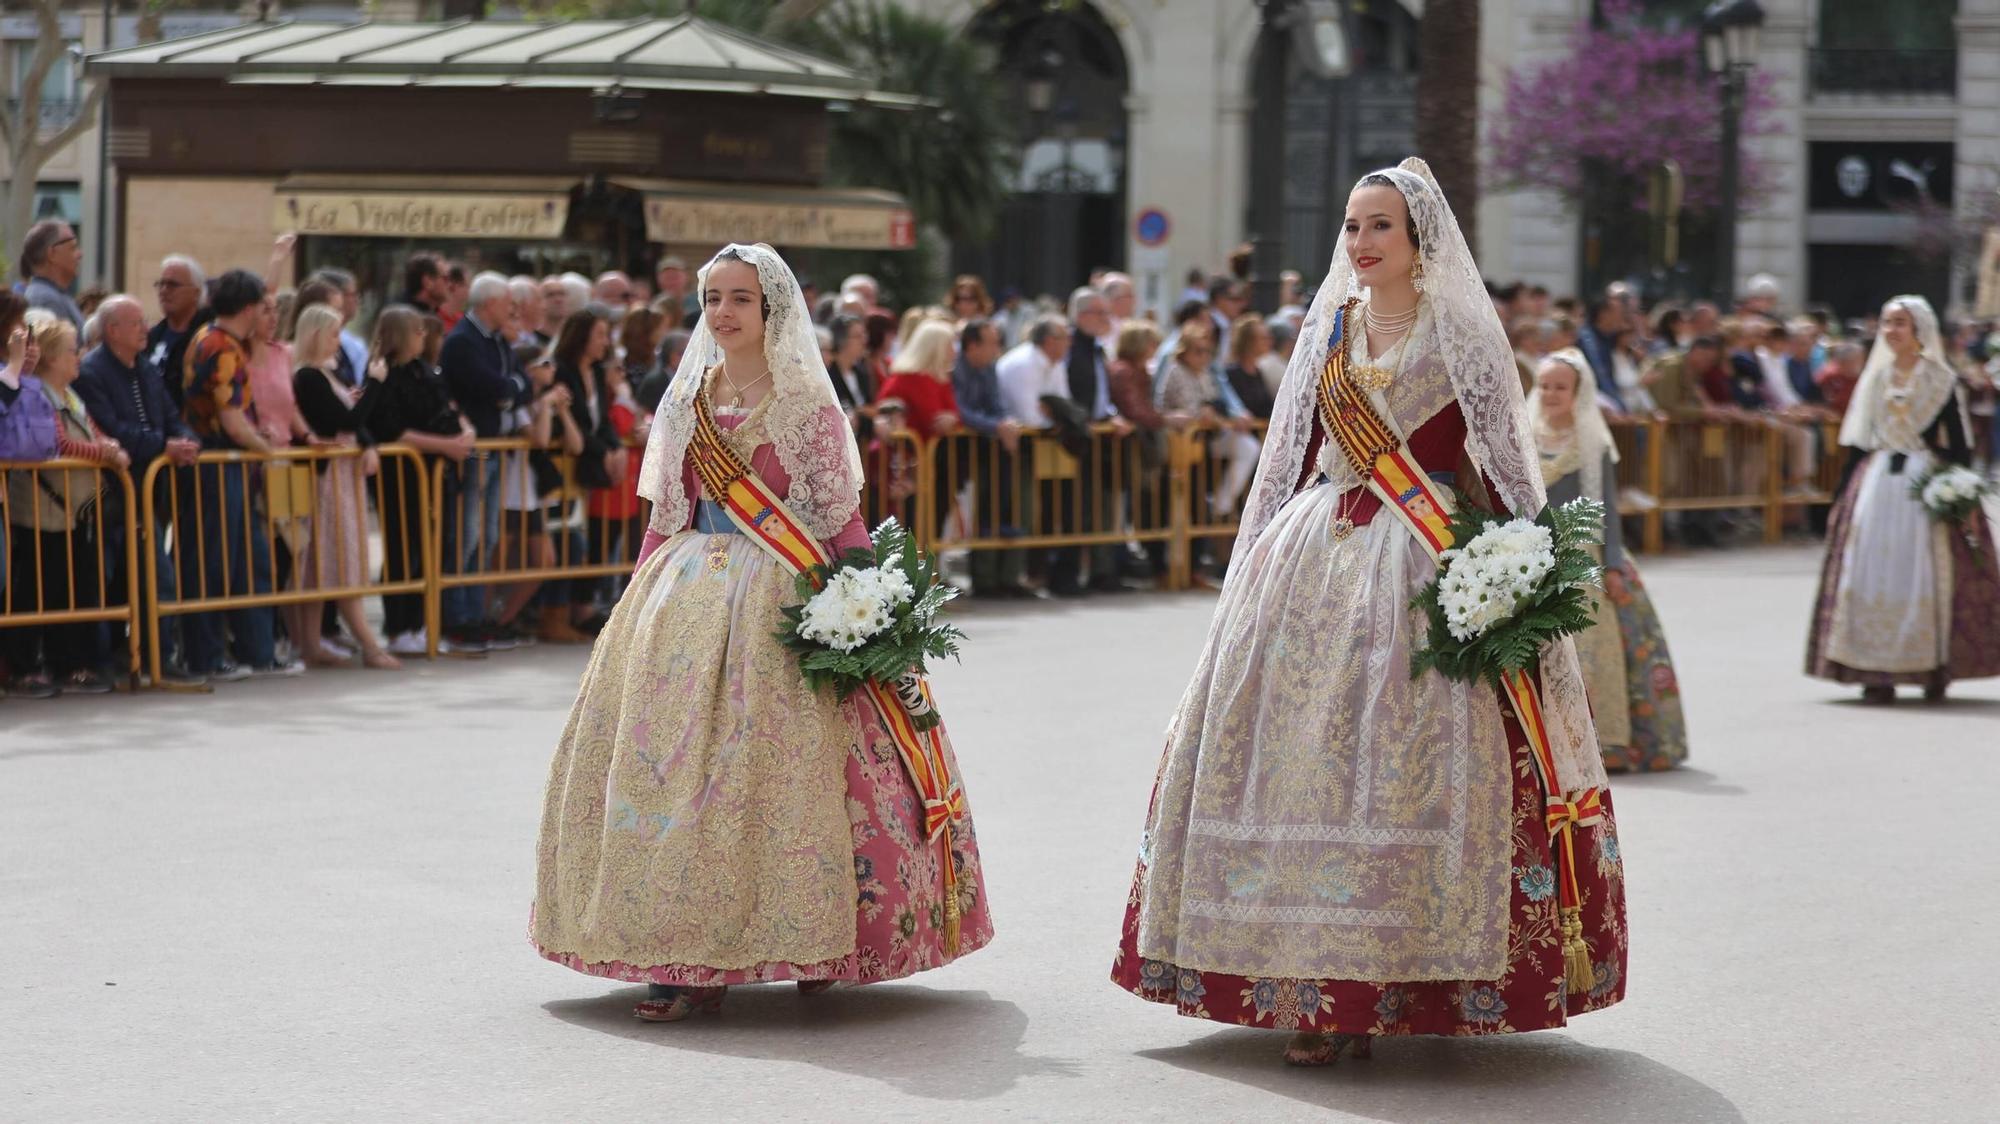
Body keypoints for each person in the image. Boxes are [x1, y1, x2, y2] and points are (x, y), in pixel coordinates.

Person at [1112, 160, 1625, 1064]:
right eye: (1352, 225)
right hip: (1314, 551)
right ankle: (1301, 979)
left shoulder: (1462, 330)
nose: (1361, 242)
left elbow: (1505, 467)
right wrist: (1248, 570)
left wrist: (1517, 575)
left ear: (1420, 238)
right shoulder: (1330, 330)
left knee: (1401, 754)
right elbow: (1292, 453)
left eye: (1379, 225)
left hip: (1423, 558)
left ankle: (1390, 978)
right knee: (1287, 750)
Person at [532, 243, 993, 1020]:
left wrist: (866, 607)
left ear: (771, 308)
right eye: (712, 299)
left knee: (793, 776)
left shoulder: (806, 403)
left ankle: (820, 940)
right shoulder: (686, 404)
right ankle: (682, 962)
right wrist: (631, 605)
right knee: (674, 769)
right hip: (683, 598)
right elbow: (665, 514)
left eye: (739, 298)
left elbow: (837, 518)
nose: (722, 313)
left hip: (779, 596)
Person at [1807, 295, 2000, 703]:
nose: (1891, 331)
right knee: (1871, 569)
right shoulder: (1875, 378)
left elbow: (1961, 444)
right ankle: (1874, 671)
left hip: (1921, 480)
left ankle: (1931, 666)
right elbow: (1858, 445)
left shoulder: (1940, 380)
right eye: (1886, 323)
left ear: (1919, 331)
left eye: (1899, 323)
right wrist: (1840, 498)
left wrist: (1956, 489)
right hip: (1877, 482)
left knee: (1923, 571)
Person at [1529, 351, 1687, 772]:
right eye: (1545, 385)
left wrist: (1613, 565)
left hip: (1582, 555)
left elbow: (1605, 510)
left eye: (1560, 387)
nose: (1551, 394)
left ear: (1578, 393)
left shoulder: (1591, 443)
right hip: (1528, 556)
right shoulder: (1523, 436)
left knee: (1594, 652)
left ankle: (1605, 744)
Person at [74, 294, 205, 685]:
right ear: (112, 330)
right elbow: (111, 427)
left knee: (155, 576)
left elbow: (169, 415)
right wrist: (162, 446)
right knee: (107, 578)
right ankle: (104, 659)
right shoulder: (92, 372)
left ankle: (158, 657)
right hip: (108, 494)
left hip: (147, 493)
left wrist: (184, 440)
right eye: (136, 324)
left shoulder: (146, 369)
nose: (145, 329)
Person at [178, 269, 301, 680]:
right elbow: (231, 421)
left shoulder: (216, 340)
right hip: (216, 464)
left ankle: (258, 651)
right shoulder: (220, 346)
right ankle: (207, 658)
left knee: (250, 560)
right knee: (214, 562)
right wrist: (267, 450)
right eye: (261, 307)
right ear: (248, 308)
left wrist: (256, 434)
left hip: (228, 463)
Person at [4, 318, 126, 697]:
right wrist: (103, 453)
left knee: (72, 587)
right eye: (73, 350)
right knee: (37, 590)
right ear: (53, 358)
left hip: (71, 512)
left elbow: (90, 429)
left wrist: (110, 445)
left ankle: (72, 663)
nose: (80, 357)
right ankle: (27, 666)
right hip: (40, 509)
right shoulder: (39, 394)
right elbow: (60, 445)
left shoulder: (71, 396)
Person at [288, 304, 398, 671]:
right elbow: (346, 419)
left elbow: (352, 422)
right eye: (334, 333)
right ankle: (368, 645)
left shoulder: (324, 373)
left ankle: (311, 644)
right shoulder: (308, 376)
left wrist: (365, 437)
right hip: (327, 480)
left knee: (329, 562)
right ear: (317, 334)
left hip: (341, 478)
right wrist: (376, 385)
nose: (340, 340)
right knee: (333, 561)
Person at [365, 306, 476, 657]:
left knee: (433, 547)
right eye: (415, 330)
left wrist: (464, 434)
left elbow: (448, 407)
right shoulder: (386, 375)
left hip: (434, 472)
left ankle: (421, 623)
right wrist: (446, 444)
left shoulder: (423, 370)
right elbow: (393, 430)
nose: (422, 336)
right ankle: (399, 627)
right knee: (403, 550)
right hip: (401, 475)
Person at [437, 272, 527, 653]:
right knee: (466, 538)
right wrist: (510, 391)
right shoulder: (462, 341)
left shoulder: (494, 340)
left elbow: (518, 385)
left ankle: (474, 615)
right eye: (507, 301)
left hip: (494, 451)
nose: (512, 309)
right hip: (472, 454)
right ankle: (457, 619)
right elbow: (493, 387)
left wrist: (512, 391)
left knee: (486, 537)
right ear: (490, 303)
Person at [147, 255, 210, 415]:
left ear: (196, 292)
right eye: (160, 284)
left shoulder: (208, 337)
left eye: (172, 285)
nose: (163, 291)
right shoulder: (151, 337)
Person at [19, 220, 84, 330]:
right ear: (52, 254)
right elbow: (55, 346)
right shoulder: (46, 300)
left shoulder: (56, 295)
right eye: (73, 248)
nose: (80, 254)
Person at [1224, 312, 1277, 419]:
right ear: (1249, 342)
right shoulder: (1231, 373)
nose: (1269, 342)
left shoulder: (1258, 372)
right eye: (1264, 338)